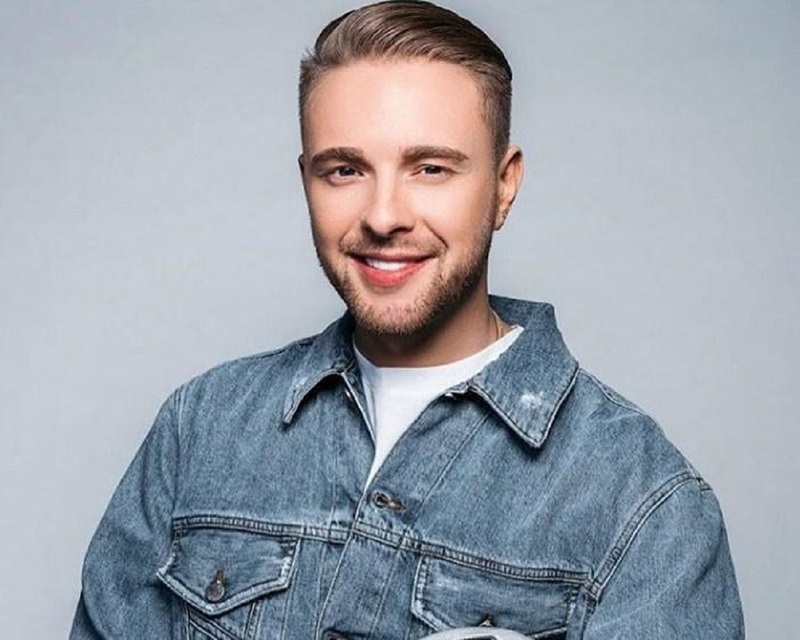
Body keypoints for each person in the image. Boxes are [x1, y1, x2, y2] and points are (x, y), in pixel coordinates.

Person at [70, 1, 744, 638]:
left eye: (430, 168)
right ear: (306, 180)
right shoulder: (200, 429)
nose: (384, 216)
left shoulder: (643, 503)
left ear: (504, 184)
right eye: (345, 170)